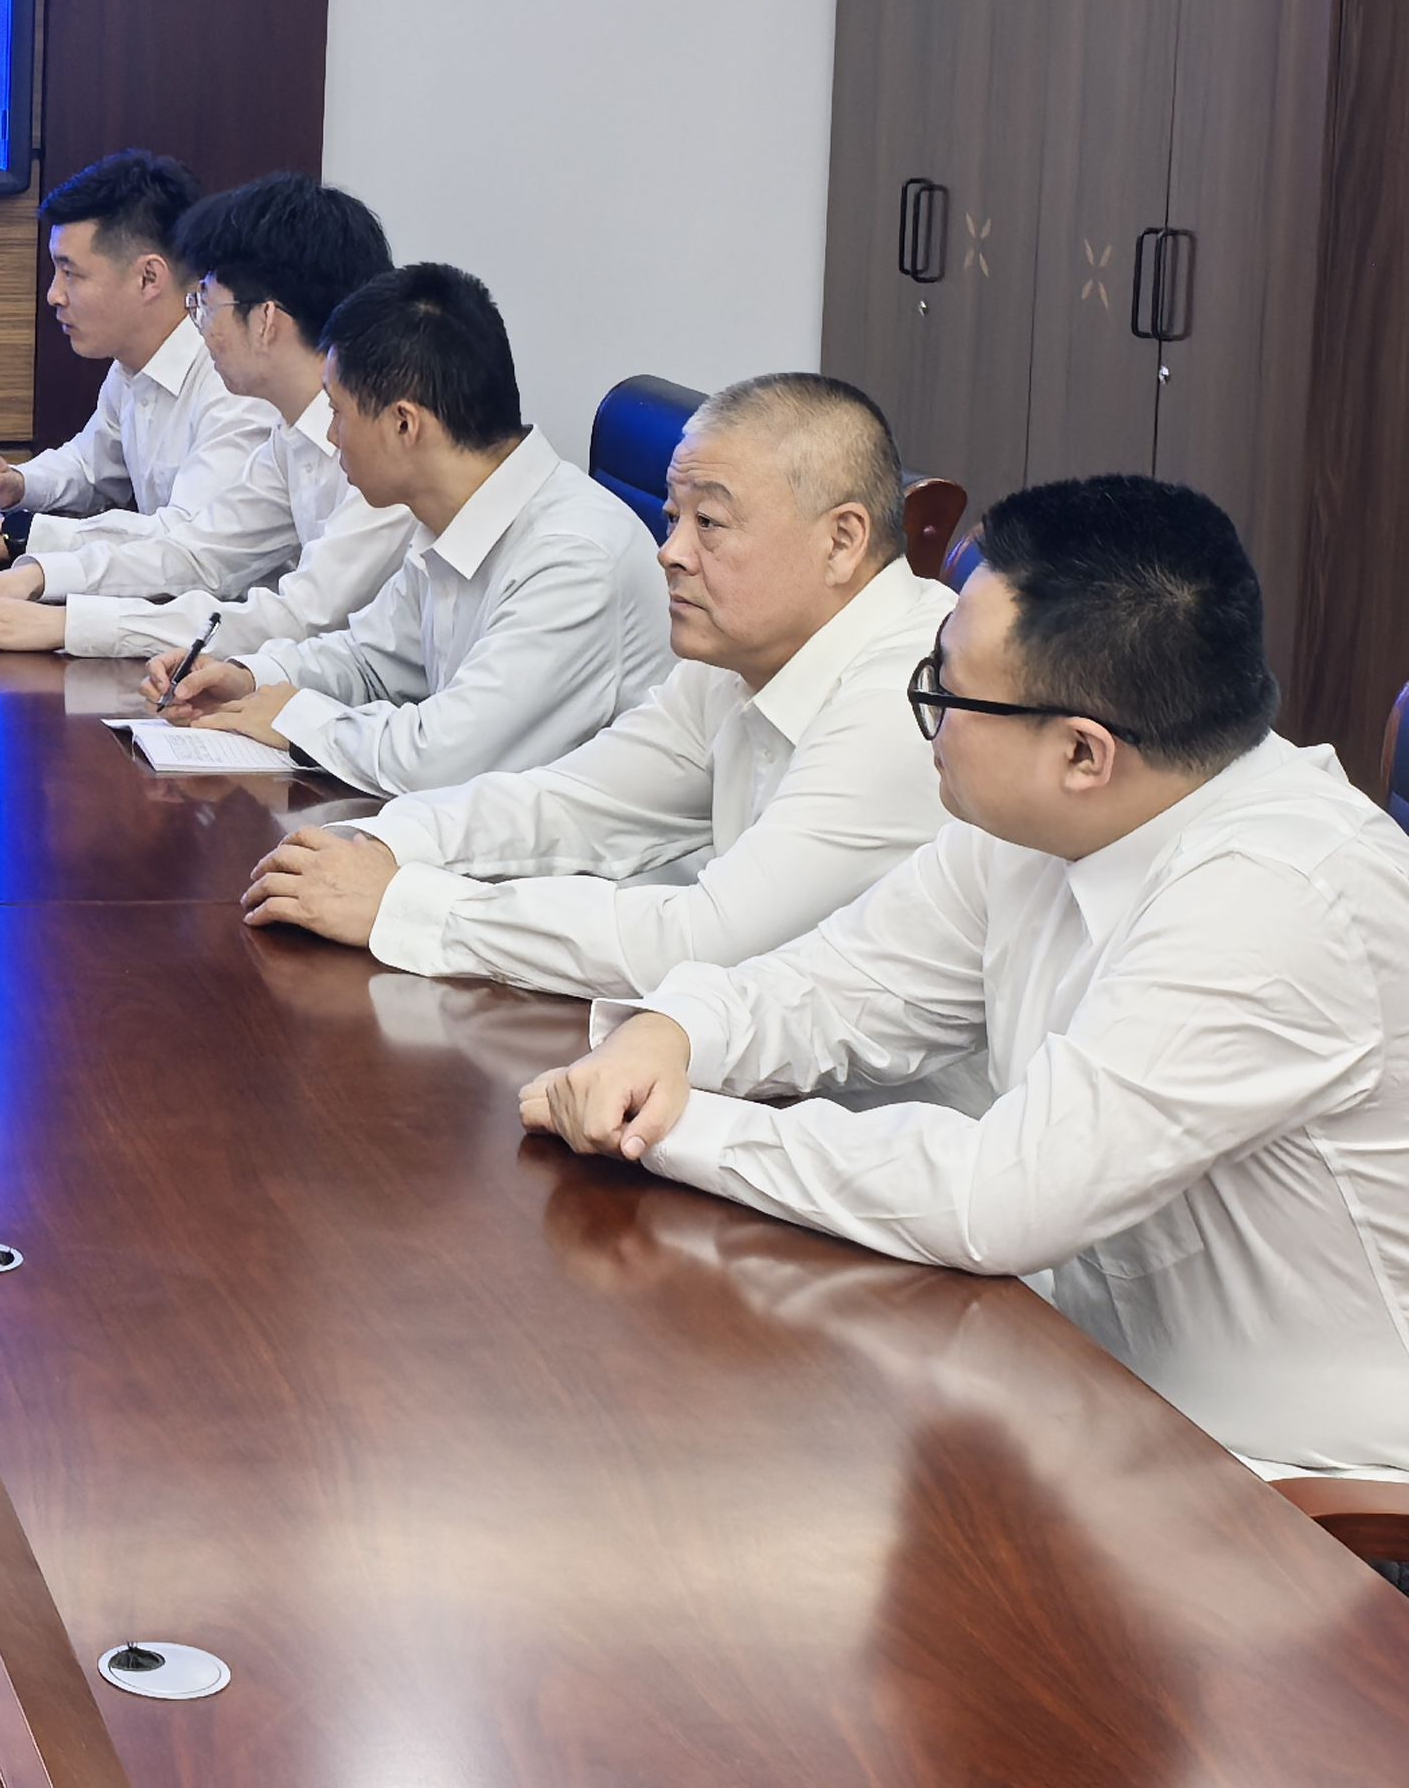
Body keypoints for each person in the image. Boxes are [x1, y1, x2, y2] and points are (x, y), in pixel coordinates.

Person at [521, 474, 1409, 1480]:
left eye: (945, 694)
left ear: (1083, 753)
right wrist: (674, 1032)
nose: (930, 721)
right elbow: (843, 983)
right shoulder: (1055, 813)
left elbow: (1001, 1198)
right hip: (1074, 1383)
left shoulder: (1276, 899)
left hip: (1294, 1493)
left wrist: (671, 1125)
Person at [244, 373, 954, 996]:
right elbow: (575, 800)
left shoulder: (907, 698)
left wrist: (405, 906)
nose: (670, 553)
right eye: (673, 519)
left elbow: (708, 940)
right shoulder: (739, 652)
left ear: (842, 540)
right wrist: (381, 845)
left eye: (710, 522)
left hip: (883, 1102)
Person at [158, 264, 671, 792]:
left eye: (338, 412)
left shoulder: (573, 558)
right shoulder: (454, 515)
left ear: (404, 423)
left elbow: (447, 759)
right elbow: (369, 661)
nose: (332, 437)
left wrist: (295, 721)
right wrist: (249, 678)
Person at [0, 172, 406, 658]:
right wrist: (40, 576)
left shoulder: (387, 445)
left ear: (266, 320)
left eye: (206, 304)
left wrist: (66, 619)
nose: (200, 326)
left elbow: (301, 617)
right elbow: (198, 551)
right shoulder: (292, 433)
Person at [0, 150, 291, 595]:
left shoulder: (233, 378)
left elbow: (187, 542)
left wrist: (16, 535)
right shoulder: (132, 365)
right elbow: (91, 465)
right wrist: (17, 485)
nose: (53, 295)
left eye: (70, 273)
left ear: (149, 278)